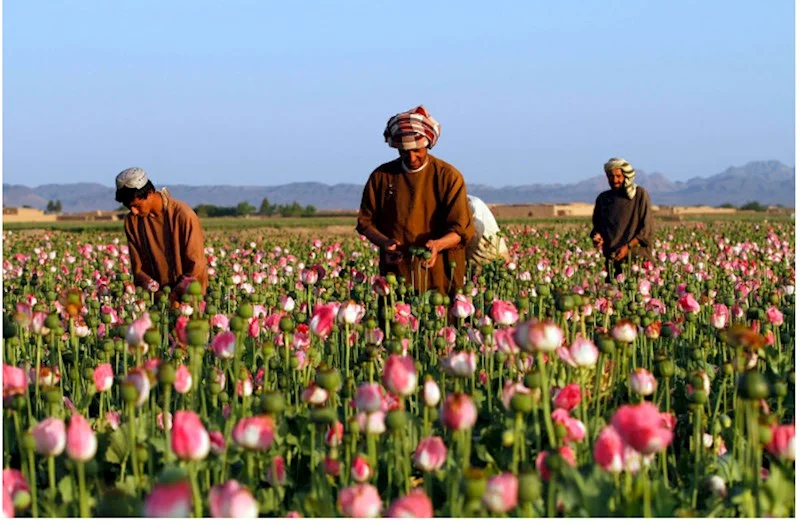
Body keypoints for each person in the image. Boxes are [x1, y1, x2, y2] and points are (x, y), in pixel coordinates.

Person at [356, 105, 475, 295]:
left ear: (428, 143)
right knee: (396, 320)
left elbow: (462, 230)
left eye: (417, 150)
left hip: (440, 273)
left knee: (441, 321)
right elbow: (365, 222)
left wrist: (437, 245)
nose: (411, 157)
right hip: (397, 272)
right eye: (404, 151)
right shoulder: (382, 176)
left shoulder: (448, 176)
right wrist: (385, 243)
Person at [114, 167, 209, 300]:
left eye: (136, 205)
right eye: (129, 207)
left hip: (189, 299)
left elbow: (195, 265)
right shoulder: (132, 222)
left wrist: (176, 295)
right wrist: (155, 292)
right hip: (157, 299)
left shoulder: (183, 215)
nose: (134, 212)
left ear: (150, 193)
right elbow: (138, 269)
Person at [590, 157, 654, 280]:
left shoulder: (639, 195)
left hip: (637, 261)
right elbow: (597, 226)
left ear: (626, 175)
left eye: (618, 176)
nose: (615, 180)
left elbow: (646, 230)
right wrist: (597, 236)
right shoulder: (603, 199)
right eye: (610, 176)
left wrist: (627, 247)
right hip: (613, 262)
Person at [466, 195, 509, 267]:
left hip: (484, 238)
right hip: (481, 234)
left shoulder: (470, 204)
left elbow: (476, 229)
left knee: (487, 263)